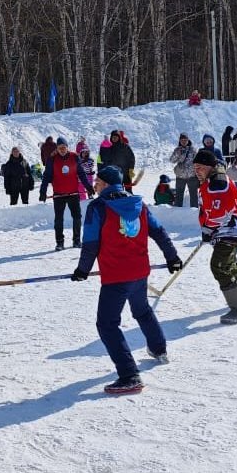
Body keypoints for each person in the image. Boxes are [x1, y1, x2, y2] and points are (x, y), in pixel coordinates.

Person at [71, 165, 183, 395]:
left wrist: (82, 270)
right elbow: (159, 232)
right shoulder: (138, 204)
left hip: (116, 276)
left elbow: (91, 244)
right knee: (142, 310)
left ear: (105, 184)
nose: (95, 185)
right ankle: (159, 348)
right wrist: (172, 257)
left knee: (107, 324)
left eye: (97, 182)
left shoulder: (98, 207)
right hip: (139, 272)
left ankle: (129, 375)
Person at [193, 149, 237, 324]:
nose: (197, 171)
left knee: (219, 266)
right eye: (195, 167)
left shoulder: (218, 183)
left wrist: (208, 228)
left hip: (230, 231)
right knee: (229, 263)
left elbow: (220, 213)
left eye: (200, 167)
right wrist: (207, 228)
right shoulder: (211, 181)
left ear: (209, 166)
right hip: (227, 231)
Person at [39, 137, 93, 249]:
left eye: (64, 147)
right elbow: (46, 176)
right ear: (57, 148)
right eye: (60, 148)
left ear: (67, 147)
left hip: (73, 193)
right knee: (59, 219)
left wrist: (88, 187)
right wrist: (42, 191)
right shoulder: (52, 159)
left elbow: (81, 174)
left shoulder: (74, 157)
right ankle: (60, 242)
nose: (62, 150)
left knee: (77, 217)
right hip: (58, 194)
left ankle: (76, 241)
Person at [170, 134, 199, 208]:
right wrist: (178, 153)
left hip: (192, 176)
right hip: (180, 176)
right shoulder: (177, 150)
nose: (183, 141)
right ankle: (177, 211)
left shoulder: (193, 150)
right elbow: (172, 160)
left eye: (185, 140)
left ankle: (194, 211)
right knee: (179, 196)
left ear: (188, 140)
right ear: (180, 141)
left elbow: (198, 161)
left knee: (194, 195)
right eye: (182, 140)